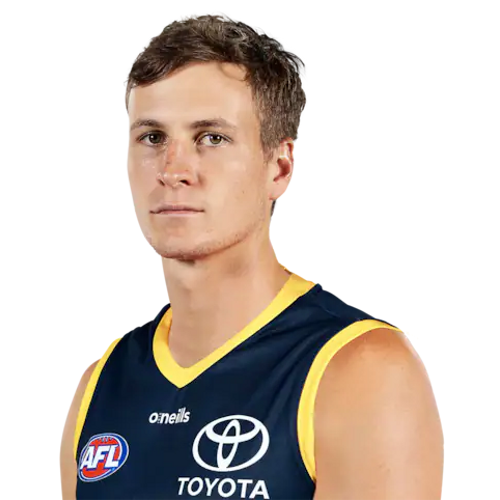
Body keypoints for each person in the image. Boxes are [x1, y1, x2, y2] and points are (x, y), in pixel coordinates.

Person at [59, 11, 444, 499]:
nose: (173, 170)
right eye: (152, 137)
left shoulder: (360, 371)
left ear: (279, 168)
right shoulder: (98, 385)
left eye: (211, 138)